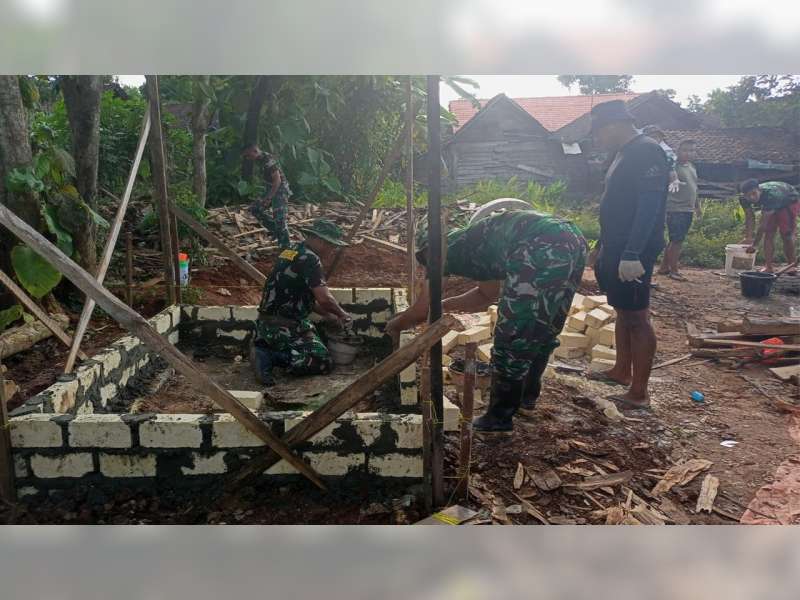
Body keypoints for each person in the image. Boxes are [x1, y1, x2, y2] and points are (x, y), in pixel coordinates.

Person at [385, 210, 587, 435]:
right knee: (546, 322)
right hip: (571, 236)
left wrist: (395, 326)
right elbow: (486, 294)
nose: (425, 264)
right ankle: (526, 399)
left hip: (540, 245)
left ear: (426, 249)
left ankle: (499, 418)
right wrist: (446, 304)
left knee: (513, 331)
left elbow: (421, 309)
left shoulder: (441, 252)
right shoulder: (475, 241)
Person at [588, 100, 669, 410]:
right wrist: (603, 245)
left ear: (614, 125)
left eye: (599, 132)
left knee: (637, 316)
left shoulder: (647, 151)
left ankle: (639, 392)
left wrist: (633, 251)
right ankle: (621, 371)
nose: (598, 139)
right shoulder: (623, 152)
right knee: (622, 310)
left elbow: (649, 207)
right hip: (616, 245)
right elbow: (615, 204)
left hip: (634, 249)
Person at [250, 219, 352, 386]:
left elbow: (300, 297)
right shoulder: (311, 259)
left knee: (313, 334)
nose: (332, 250)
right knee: (322, 361)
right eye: (331, 245)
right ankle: (269, 357)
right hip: (285, 326)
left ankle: (266, 347)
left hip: (266, 323)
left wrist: (328, 315)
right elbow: (324, 298)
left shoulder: (291, 251)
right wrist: (342, 314)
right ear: (319, 240)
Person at [658, 140, 700, 280]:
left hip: (688, 208)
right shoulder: (673, 167)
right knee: (677, 240)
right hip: (675, 208)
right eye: (685, 150)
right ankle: (674, 270)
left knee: (674, 239)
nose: (689, 153)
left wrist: (697, 206)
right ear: (678, 151)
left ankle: (664, 267)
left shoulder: (691, 167)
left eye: (692, 150)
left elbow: (695, 188)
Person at [740, 179, 800, 275]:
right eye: (748, 195)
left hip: (788, 200)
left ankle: (792, 266)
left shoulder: (771, 195)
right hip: (771, 205)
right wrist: (748, 237)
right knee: (769, 234)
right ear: (744, 195)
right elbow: (749, 217)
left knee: (786, 235)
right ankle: (768, 266)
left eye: (754, 193)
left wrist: (754, 245)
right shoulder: (743, 199)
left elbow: (762, 225)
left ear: (759, 190)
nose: (752, 197)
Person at [241, 144, 292, 248]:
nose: (248, 158)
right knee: (255, 209)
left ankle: (286, 248)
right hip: (271, 188)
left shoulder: (268, 160)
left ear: (255, 151)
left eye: (248, 155)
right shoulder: (260, 160)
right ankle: (276, 231)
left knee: (280, 219)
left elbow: (277, 181)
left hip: (280, 190)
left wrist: (269, 198)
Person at [642, 125, 680, 194]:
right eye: (652, 137)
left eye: (658, 137)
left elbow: (671, 168)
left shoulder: (666, 151)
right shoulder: (638, 151)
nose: (656, 139)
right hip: (642, 186)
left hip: (658, 186)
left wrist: (674, 180)